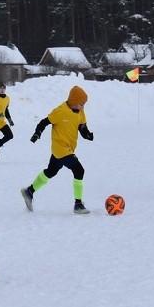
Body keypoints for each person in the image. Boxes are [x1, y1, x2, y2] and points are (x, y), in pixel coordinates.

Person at [21, 85, 95, 214]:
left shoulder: (81, 112)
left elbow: (82, 127)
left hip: (68, 149)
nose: (83, 107)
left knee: (50, 172)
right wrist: (37, 133)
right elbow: (43, 122)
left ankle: (29, 191)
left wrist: (87, 134)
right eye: (81, 104)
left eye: (84, 104)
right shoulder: (60, 111)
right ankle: (78, 204)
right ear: (73, 101)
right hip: (61, 149)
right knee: (79, 170)